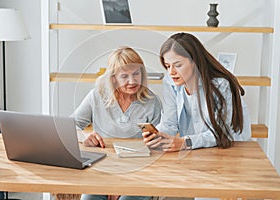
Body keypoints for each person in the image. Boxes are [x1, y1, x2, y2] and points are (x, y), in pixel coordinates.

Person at [71, 46, 162, 200]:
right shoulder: (97, 96)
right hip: (101, 170)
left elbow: (157, 150)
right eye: (124, 76)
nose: (132, 81)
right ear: (113, 78)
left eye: (136, 74)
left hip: (139, 173)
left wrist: (121, 184)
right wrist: (85, 136)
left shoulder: (152, 102)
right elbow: (71, 127)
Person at [143, 32, 251, 152]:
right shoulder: (170, 82)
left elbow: (221, 133)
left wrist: (185, 142)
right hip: (195, 150)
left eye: (177, 65)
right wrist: (157, 136)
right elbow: (169, 123)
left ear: (194, 62)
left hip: (228, 150)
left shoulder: (221, 85)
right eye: (167, 66)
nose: (171, 72)